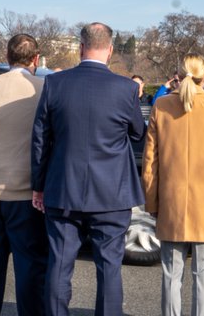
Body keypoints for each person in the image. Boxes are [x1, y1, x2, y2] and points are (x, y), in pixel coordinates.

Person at [31, 22, 145, 316]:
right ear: (109, 51)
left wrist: (38, 185)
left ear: (80, 48)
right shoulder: (127, 88)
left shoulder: (55, 84)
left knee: (60, 263)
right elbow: (137, 133)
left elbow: (40, 139)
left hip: (63, 188)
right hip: (111, 192)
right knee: (109, 267)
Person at [141, 53, 204, 316]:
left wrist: (151, 201)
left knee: (171, 273)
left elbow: (150, 161)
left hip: (172, 198)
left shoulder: (161, 106)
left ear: (178, 76)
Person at [0, 34, 47, 316]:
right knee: (31, 272)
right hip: (25, 194)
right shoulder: (42, 89)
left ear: (7, 57)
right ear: (35, 60)